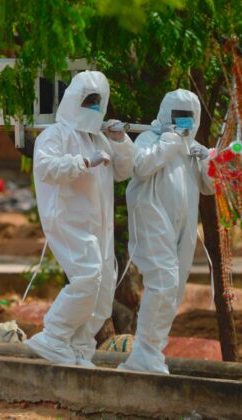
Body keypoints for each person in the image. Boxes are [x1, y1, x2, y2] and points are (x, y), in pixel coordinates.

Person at [24, 70, 135, 366]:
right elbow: (47, 169)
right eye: (89, 100)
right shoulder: (55, 135)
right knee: (87, 279)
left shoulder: (100, 137)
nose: (94, 107)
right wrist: (84, 162)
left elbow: (125, 170)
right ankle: (54, 335)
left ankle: (79, 349)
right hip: (69, 219)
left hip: (100, 224)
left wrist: (120, 140)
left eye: (99, 101)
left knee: (103, 288)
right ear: (75, 99)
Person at [119, 89, 214, 374]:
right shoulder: (151, 138)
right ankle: (144, 352)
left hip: (183, 226)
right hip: (152, 217)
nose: (183, 122)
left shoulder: (192, 148)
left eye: (189, 117)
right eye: (178, 116)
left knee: (174, 287)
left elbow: (208, 187)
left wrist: (208, 160)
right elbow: (141, 166)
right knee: (162, 279)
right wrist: (170, 141)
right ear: (166, 114)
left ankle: (151, 350)